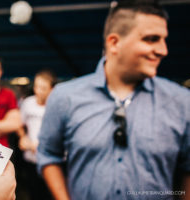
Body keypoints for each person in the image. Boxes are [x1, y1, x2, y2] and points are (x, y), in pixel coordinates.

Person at [37, 2, 190, 200]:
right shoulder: (65, 97)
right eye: (151, 39)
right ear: (114, 43)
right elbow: (48, 156)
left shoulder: (181, 101)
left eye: (163, 40)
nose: (163, 50)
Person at [17, 70, 56, 200]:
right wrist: (23, 137)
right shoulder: (28, 103)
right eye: (36, 87)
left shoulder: (57, 105)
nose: (38, 91)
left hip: (52, 160)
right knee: (34, 194)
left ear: (52, 89)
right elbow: (20, 124)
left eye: (43, 88)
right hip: (31, 159)